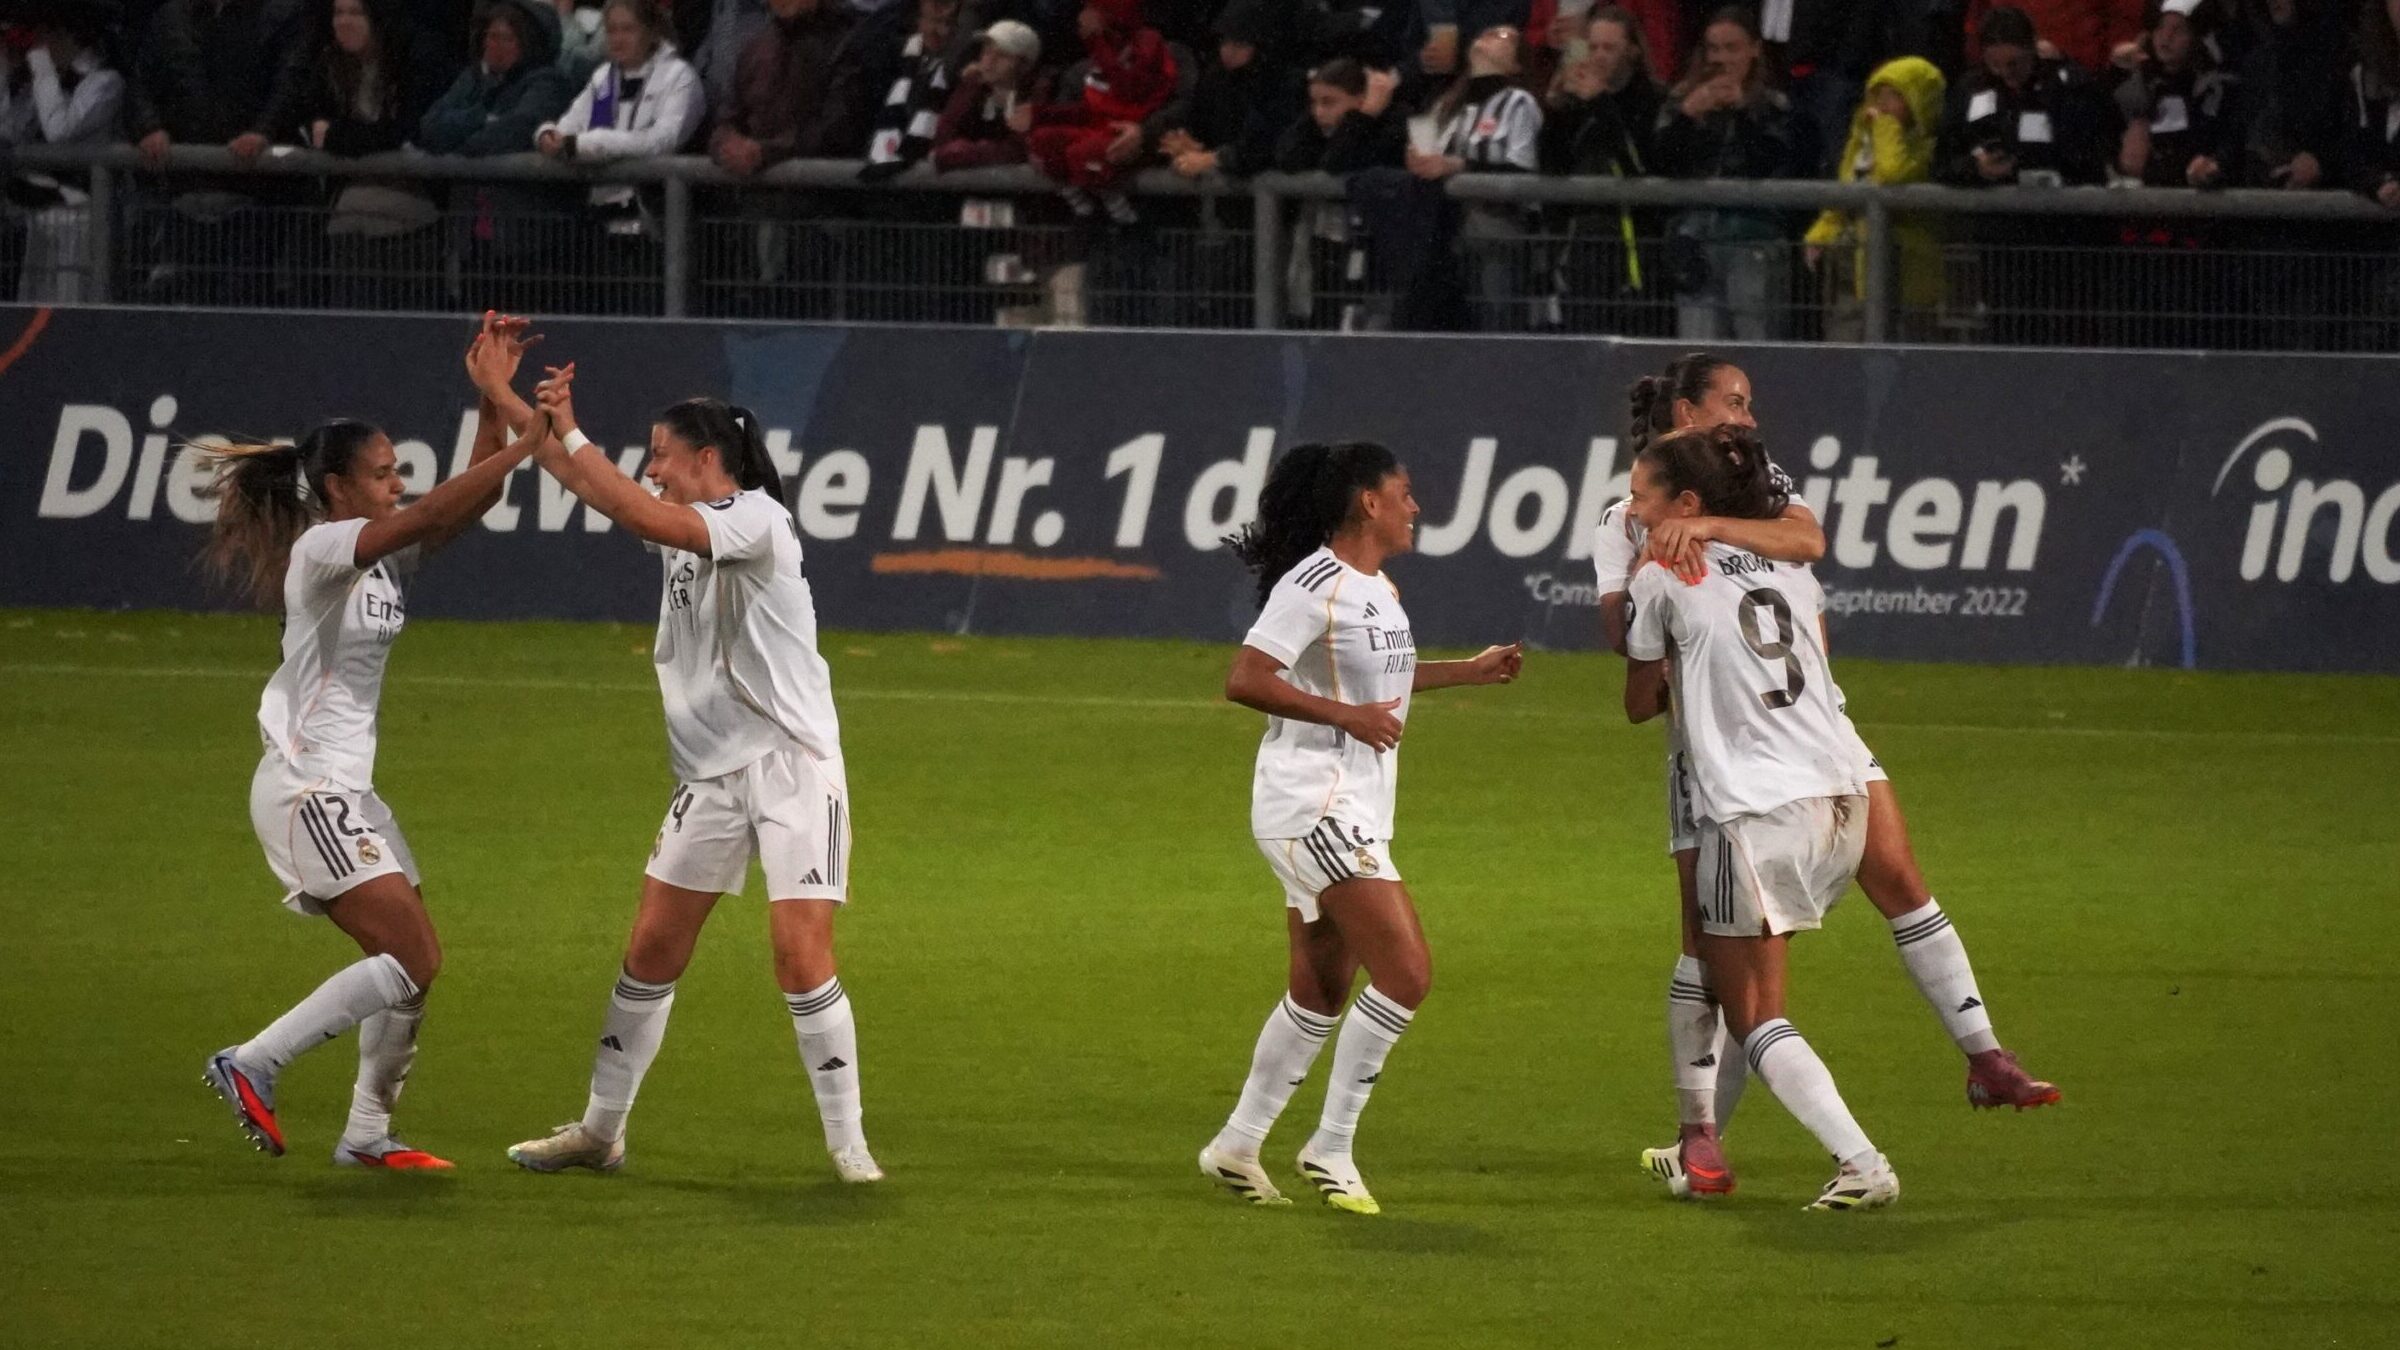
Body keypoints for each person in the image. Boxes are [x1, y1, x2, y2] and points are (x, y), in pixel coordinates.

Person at [1597, 354, 2057, 1201]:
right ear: (1687, 412)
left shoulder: (1735, 504)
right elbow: (1799, 585)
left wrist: (1690, 573)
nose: (1747, 415)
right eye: (1733, 401)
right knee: (1733, 959)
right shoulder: (1704, 534)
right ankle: (1702, 1141)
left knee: (1754, 992)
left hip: (1750, 782)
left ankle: (1873, 1134)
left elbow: (1638, 684)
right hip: (1807, 763)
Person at [489, 362, 882, 1185]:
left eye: (661, 453)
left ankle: (849, 1148)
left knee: (799, 954)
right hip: (709, 774)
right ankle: (600, 1133)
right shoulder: (683, 519)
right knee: (651, 951)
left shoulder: (756, 518)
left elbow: (625, 500)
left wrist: (574, 428)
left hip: (791, 766)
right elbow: (579, 477)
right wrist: (507, 395)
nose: (652, 468)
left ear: (708, 458)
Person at [194, 314, 547, 1171]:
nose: (398, 484)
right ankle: (252, 1061)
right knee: (412, 956)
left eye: (398, 471)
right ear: (336, 487)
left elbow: (465, 502)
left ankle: (366, 1137)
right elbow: (437, 507)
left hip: (348, 791)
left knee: (413, 967)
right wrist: (529, 439)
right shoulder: (323, 549)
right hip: (306, 788)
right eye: (382, 474)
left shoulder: (382, 560)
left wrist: (490, 403)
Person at [1198, 440, 1524, 1215]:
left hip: (1355, 806)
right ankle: (1332, 1144)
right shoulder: (1311, 584)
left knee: (1320, 988)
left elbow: (1385, 681)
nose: (1416, 506)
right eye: (1404, 493)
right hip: (1313, 804)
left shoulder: (1379, 589)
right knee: (1406, 974)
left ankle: (1238, 1144)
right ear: (1368, 503)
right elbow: (1246, 678)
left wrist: (1468, 671)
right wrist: (1343, 717)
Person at [1621, 423, 1892, 1212]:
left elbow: (1639, 702)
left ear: (1686, 503)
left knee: (1751, 1015)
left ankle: (1860, 1162)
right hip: (1843, 800)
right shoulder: (1786, 561)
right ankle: (1695, 1151)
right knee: (1742, 984)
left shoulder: (1660, 576)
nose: (1632, 510)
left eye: (1641, 496)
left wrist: (1668, 644)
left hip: (1753, 813)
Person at [126, 0, 313, 306]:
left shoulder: (282, 14)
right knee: (184, 303)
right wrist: (149, 127)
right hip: (184, 191)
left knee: (245, 302)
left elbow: (291, 82)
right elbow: (140, 84)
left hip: (256, 196)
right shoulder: (170, 17)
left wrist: (263, 132)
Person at [534, 0, 701, 309]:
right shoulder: (603, 78)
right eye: (611, 30)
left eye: (628, 30)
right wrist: (546, 134)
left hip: (655, 230)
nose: (618, 39)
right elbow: (567, 126)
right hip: (599, 225)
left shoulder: (679, 77)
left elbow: (662, 141)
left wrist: (588, 144)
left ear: (651, 32)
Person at [297, 0, 453, 309]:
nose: (344, 21)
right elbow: (309, 120)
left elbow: (407, 129)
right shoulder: (328, 64)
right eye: (338, 13)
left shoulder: (414, 57)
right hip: (347, 212)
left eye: (355, 13)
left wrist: (338, 137)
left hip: (413, 211)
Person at [1653, 7, 1796, 341]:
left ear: (1754, 49)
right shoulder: (1681, 100)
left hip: (1752, 243)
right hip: (1695, 244)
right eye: (1713, 49)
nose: (1721, 59)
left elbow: (1769, 163)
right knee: (1700, 356)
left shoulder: (1773, 105)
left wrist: (1742, 112)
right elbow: (1661, 162)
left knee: (1757, 351)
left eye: (1732, 48)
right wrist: (1687, 117)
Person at [1800, 56, 1946, 342]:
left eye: (1895, 96)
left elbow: (1891, 174)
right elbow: (1846, 189)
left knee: (1900, 352)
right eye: (1879, 95)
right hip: (1852, 265)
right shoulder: (1862, 141)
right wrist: (1821, 233)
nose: (1883, 104)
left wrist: (1885, 128)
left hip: (1902, 272)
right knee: (1844, 348)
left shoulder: (1926, 148)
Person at [1408, 23, 1543, 330]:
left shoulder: (1518, 101)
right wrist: (1419, 158)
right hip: (1445, 231)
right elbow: (1431, 149)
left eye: (1504, 36)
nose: (1488, 36)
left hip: (1495, 231)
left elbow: (1521, 167)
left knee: (1495, 321)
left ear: (1517, 64)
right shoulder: (1449, 102)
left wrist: (1456, 166)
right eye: (1485, 32)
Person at [1539, 6, 1662, 332]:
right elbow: (1551, 167)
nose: (1598, 56)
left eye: (1609, 48)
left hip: (1635, 253)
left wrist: (1600, 101)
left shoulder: (1651, 99)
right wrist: (1556, 109)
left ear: (1632, 51)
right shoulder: (1578, 102)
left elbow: (1636, 165)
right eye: (1592, 47)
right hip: (1582, 247)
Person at [0, 0, 124, 302]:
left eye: (47, 36)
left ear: (69, 35)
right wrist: (6, 72)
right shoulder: (48, 82)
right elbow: (9, 131)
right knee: (34, 301)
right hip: (43, 211)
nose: (42, 45)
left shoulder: (106, 82)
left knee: (72, 301)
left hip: (85, 213)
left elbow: (59, 130)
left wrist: (42, 66)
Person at [1025, 0, 1178, 226]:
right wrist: (1040, 114)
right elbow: (1089, 109)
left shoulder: (1147, 43)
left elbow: (1131, 90)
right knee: (1043, 141)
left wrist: (1098, 42)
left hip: (1129, 129)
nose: (1081, 17)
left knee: (1084, 154)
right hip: (1097, 127)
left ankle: (1126, 219)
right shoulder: (1095, 53)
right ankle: (1084, 210)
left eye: (1089, 9)